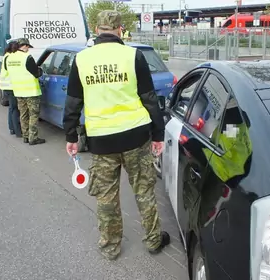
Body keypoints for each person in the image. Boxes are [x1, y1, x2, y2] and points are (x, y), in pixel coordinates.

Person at [63, 10, 170, 261]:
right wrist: (158, 134)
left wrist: (71, 137)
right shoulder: (134, 55)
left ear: (96, 29)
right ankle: (154, 240)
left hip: (102, 141)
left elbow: (73, 102)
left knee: (106, 196)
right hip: (136, 136)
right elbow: (150, 99)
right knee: (144, 191)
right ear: (120, 30)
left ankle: (110, 246)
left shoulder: (82, 59)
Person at [5, 38, 45, 145]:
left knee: (23, 114)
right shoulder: (27, 57)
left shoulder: (10, 57)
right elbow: (36, 73)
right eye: (28, 47)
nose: (28, 49)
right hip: (31, 91)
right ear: (25, 46)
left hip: (18, 91)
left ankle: (25, 136)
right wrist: (40, 70)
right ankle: (33, 138)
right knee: (33, 114)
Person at [0, 39, 21, 137]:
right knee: (15, 108)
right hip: (11, 85)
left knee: (11, 108)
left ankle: (12, 128)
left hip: (6, 85)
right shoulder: (11, 57)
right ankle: (17, 130)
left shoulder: (6, 56)